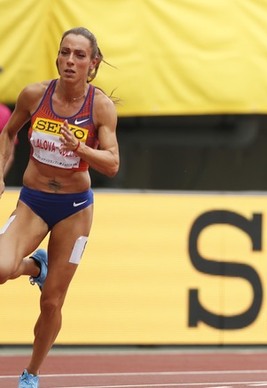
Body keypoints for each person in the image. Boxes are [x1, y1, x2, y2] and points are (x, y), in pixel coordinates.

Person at [0, 27, 120, 387]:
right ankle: (34, 265)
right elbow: (8, 133)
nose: (70, 61)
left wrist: (80, 148)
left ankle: (31, 374)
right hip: (33, 201)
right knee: (2, 267)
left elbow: (112, 163)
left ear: (93, 63)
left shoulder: (100, 106)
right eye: (65, 52)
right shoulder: (35, 95)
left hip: (74, 209)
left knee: (52, 302)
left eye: (79, 56)